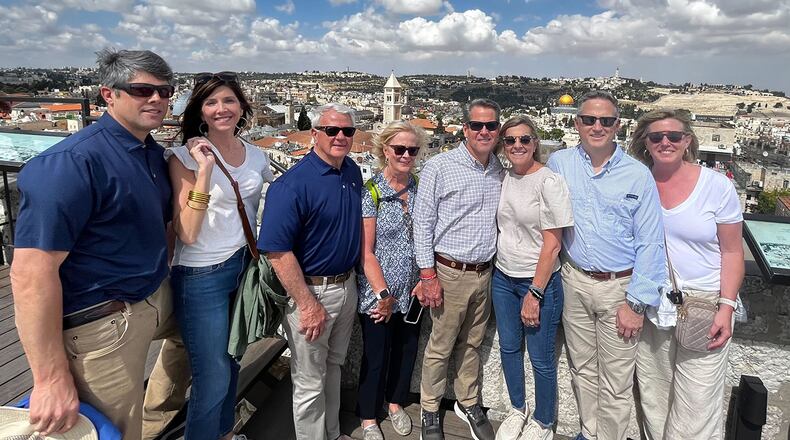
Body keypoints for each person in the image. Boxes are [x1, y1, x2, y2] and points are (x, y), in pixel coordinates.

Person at [10, 48, 182, 439]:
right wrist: (50, 378)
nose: (156, 99)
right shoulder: (72, 163)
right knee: (112, 430)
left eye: (164, 91)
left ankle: (154, 421)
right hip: (103, 324)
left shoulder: (151, 154)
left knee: (208, 337)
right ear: (109, 94)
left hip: (154, 296)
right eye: (142, 90)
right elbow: (30, 274)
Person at [545, 90, 666, 440]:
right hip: (574, 280)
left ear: (618, 126)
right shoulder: (560, 163)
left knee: (616, 378)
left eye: (606, 121)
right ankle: (588, 431)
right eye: (589, 119)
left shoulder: (637, 175)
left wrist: (636, 303)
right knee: (581, 368)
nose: (597, 126)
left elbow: (650, 243)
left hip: (620, 288)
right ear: (576, 123)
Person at [165, 71, 273, 439]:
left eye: (229, 100)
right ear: (200, 110)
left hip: (243, 265)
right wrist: (206, 170)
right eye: (211, 102)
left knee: (232, 360)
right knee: (211, 376)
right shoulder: (182, 157)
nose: (221, 108)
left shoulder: (257, 156)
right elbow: (188, 232)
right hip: (200, 275)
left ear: (242, 107)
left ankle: (225, 432)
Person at [630, 109, 744, 440]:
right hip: (652, 304)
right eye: (656, 137)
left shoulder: (717, 187)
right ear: (645, 142)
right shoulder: (638, 182)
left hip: (703, 305)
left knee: (696, 408)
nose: (665, 142)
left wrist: (727, 306)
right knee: (654, 396)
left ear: (687, 141)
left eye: (674, 136)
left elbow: (732, 251)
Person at [258, 103, 362, 440]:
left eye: (348, 130)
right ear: (315, 133)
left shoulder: (352, 172)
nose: (341, 137)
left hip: (345, 288)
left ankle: (331, 433)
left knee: (333, 368)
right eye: (332, 130)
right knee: (308, 382)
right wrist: (306, 303)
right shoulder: (292, 185)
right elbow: (277, 250)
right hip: (312, 293)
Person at [413, 98, 504, 440]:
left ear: (497, 130)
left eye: (491, 126)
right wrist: (427, 275)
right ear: (465, 129)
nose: (484, 131)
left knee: (472, 343)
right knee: (440, 345)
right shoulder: (441, 166)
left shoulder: (499, 169)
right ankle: (430, 409)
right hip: (448, 272)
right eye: (477, 125)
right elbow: (422, 224)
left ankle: (467, 401)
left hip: (485, 273)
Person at [492, 116, 573, 440]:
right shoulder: (506, 176)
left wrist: (535, 293)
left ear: (535, 143)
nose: (517, 146)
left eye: (524, 139)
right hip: (503, 276)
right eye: (510, 141)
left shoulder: (549, 182)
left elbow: (553, 244)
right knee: (509, 348)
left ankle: (543, 421)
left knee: (541, 359)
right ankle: (517, 409)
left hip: (538, 283)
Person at [356, 121, 429, 440]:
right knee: (376, 355)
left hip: (414, 290)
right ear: (385, 150)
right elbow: (367, 252)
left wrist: (426, 278)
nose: (405, 155)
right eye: (399, 149)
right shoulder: (371, 191)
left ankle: (395, 403)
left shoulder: (420, 187)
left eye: (412, 150)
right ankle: (368, 417)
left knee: (406, 350)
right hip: (379, 292)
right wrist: (383, 294)